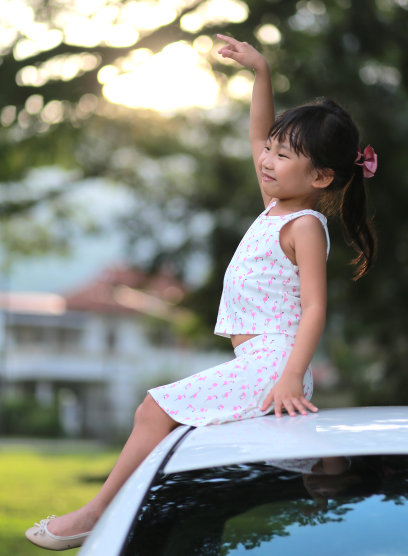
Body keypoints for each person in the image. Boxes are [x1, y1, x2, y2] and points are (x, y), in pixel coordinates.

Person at [25, 35, 377, 550]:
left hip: (273, 365)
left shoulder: (303, 223)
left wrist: (292, 378)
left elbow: (315, 308)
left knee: (154, 409)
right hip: (262, 363)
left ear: (321, 176)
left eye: (284, 155)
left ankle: (95, 515)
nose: (268, 159)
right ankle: (335, 473)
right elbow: (258, 134)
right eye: (272, 151)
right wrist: (261, 72)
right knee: (284, 463)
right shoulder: (275, 205)